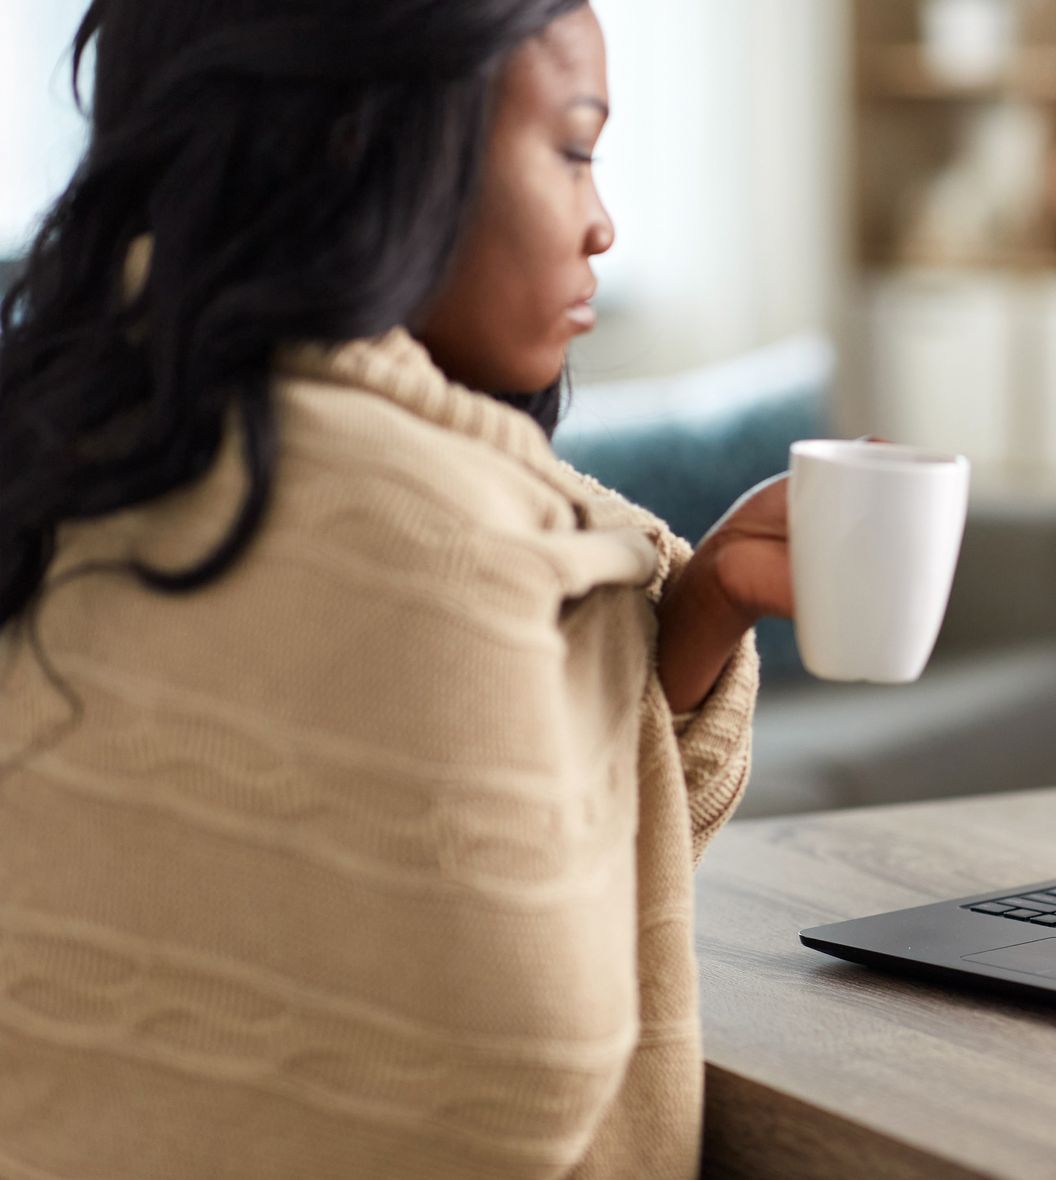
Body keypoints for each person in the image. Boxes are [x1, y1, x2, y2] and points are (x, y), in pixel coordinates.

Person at [0, 3, 795, 1176]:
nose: (604, 223)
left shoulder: (77, 444)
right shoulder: (435, 540)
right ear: (369, 148)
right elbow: (514, 1040)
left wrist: (703, 607)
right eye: (575, 149)